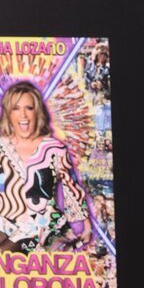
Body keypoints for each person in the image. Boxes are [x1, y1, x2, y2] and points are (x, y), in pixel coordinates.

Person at [0, 81, 92, 250]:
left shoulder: (53, 148)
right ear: (8, 113)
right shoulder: (1, 147)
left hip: (44, 226)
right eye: (16, 108)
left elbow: (70, 187)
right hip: (5, 223)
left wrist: (86, 225)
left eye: (29, 108)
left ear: (37, 112)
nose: (23, 115)